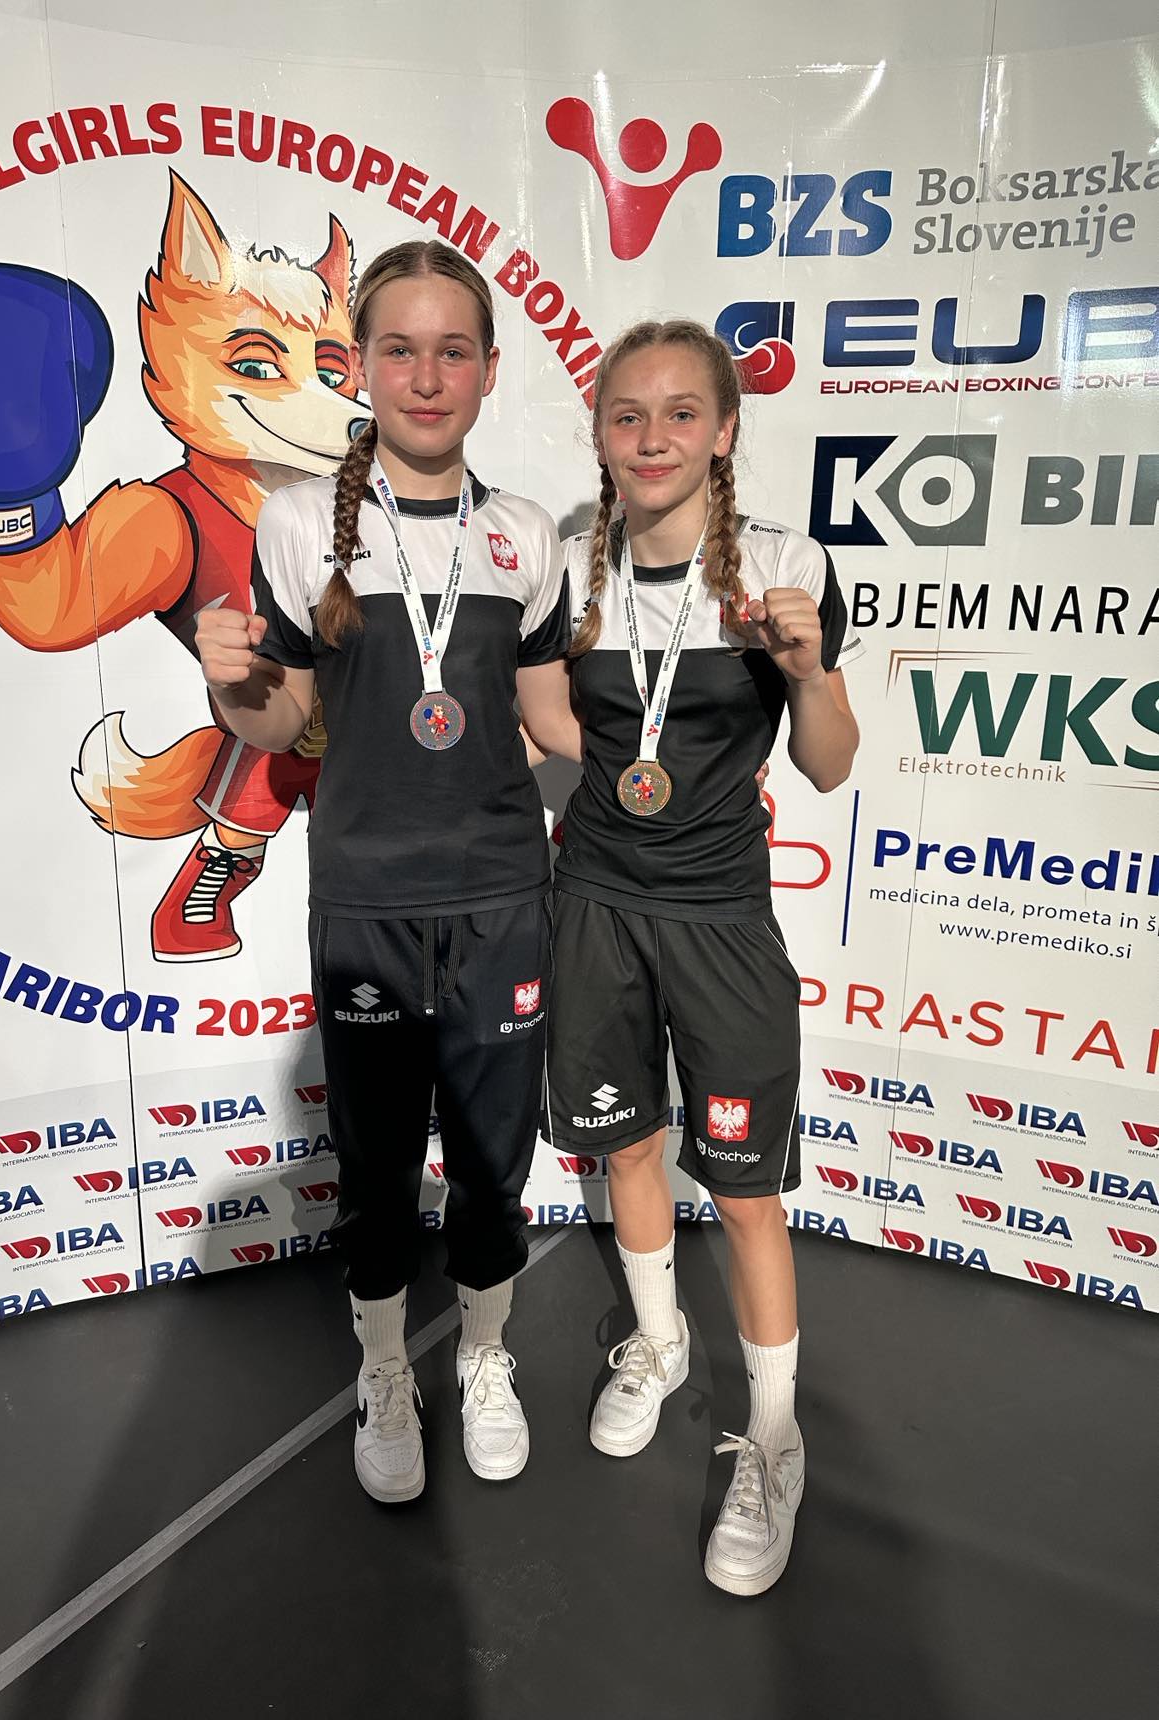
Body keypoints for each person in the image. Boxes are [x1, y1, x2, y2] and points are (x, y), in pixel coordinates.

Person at [195, 241, 570, 1503]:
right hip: (366, 896)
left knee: (493, 1160)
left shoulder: (525, 533)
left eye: (452, 350)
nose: (426, 375)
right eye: (399, 349)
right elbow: (281, 718)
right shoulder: (302, 522)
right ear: (359, 365)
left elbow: (550, 718)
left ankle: (486, 1354)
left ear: (489, 371)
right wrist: (231, 681)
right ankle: (384, 1368)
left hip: (502, 894)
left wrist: (685, 726)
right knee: (375, 1166)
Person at [521, 318, 861, 1594]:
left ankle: (774, 1436)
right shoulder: (575, 567)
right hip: (599, 903)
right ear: (600, 433)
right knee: (626, 1147)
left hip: (721, 917)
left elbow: (828, 761)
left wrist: (807, 670)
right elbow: (558, 723)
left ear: (724, 430)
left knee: (749, 1189)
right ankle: (659, 1343)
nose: (652, 436)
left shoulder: (783, 564)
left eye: (679, 413)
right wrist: (616, 764)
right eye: (627, 414)